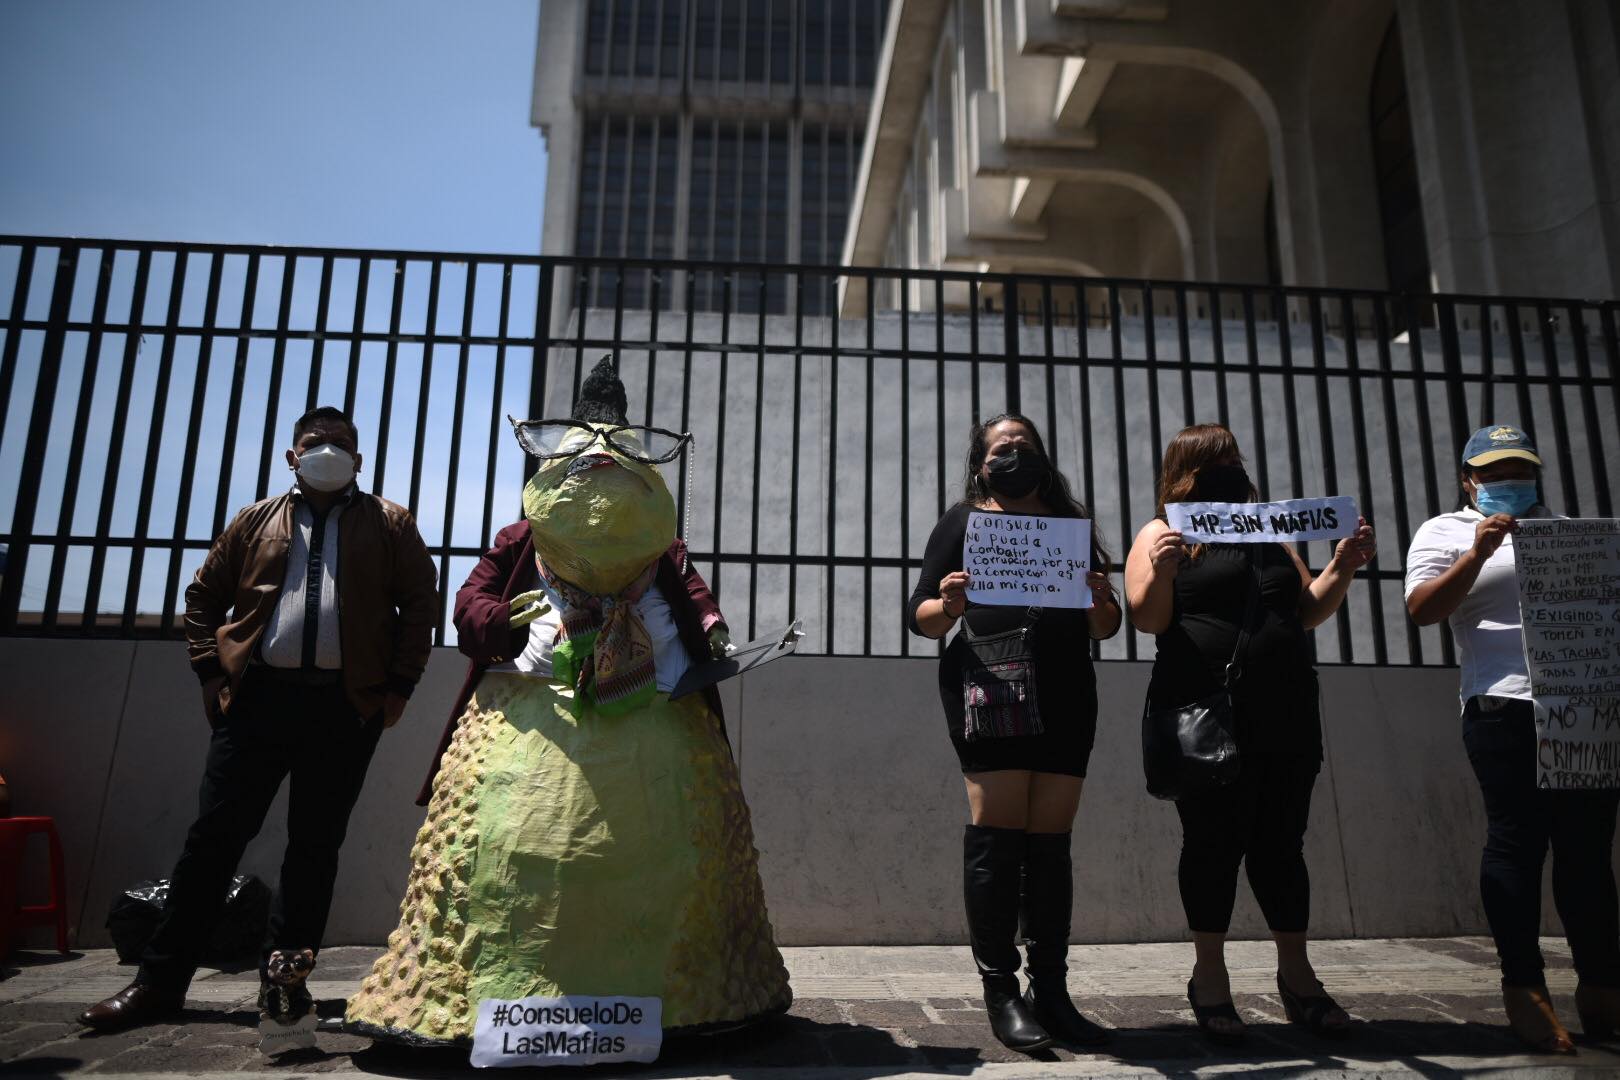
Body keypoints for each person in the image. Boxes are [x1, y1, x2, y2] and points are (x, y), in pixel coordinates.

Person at [343, 357, 791, 1045]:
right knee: (521, 845)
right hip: (534, 713)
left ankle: (686, 993)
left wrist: (709, 628)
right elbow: (470, 607)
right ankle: (489, 994)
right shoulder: (522, 542)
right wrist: (507, 624)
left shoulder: (660, 553)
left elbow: (693, 591)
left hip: (656, 706)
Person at [79, 406, 439, 1032]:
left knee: (314, 847)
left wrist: (399, 686)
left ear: (360, 457)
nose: (329, 449)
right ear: (291, 457)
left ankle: (285, 989)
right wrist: (211, 673)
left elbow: (420, 606)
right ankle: (158, 984)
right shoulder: (255, 520)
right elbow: (202, 596)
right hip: (257, 704)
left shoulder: (389, 523)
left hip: (343, 708)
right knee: (212, 843)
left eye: (342, 442)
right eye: (316, 441)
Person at [1124, 423, 1375, 1044]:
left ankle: (1298, 976)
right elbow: (1146, 617)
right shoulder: (1162, 532)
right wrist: (1161, 571)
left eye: (1233, 458)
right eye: (1213, 462)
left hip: (1285, 710)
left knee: (1282, 844)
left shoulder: (1270, 530)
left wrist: (1340, 567)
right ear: (1183, 473)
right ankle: (1209, 978)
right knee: (1213, 844)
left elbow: (1306, 610)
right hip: (1208, 715)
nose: (1228, 469)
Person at [905, 414, 1121, 1053]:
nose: (1014, 456)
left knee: (1051, 844)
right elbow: (920, 619)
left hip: (1065, 691)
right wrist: (949, 603)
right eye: (1002, 449)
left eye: (1025, 447)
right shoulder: (962, 522)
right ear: (981, 464)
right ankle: (1001, 991)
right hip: (990, 686)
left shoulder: (1069, 527)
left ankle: (1051, 991)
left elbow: (1104, 629)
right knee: (998, 837)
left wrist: (1102, 603)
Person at [1405, 423, 1620, 1054]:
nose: (1508, 483)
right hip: (1502, 706)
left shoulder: (1574, 533)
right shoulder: (1443, 532)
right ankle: (1525, 991)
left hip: (1584, 706)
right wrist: (1476, 552)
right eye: (1494, 473)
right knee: (1518, 845)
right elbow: (1421, 611)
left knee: (1587, 853)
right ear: (1469, 480)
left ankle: (1603, 986)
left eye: (1519, 471)